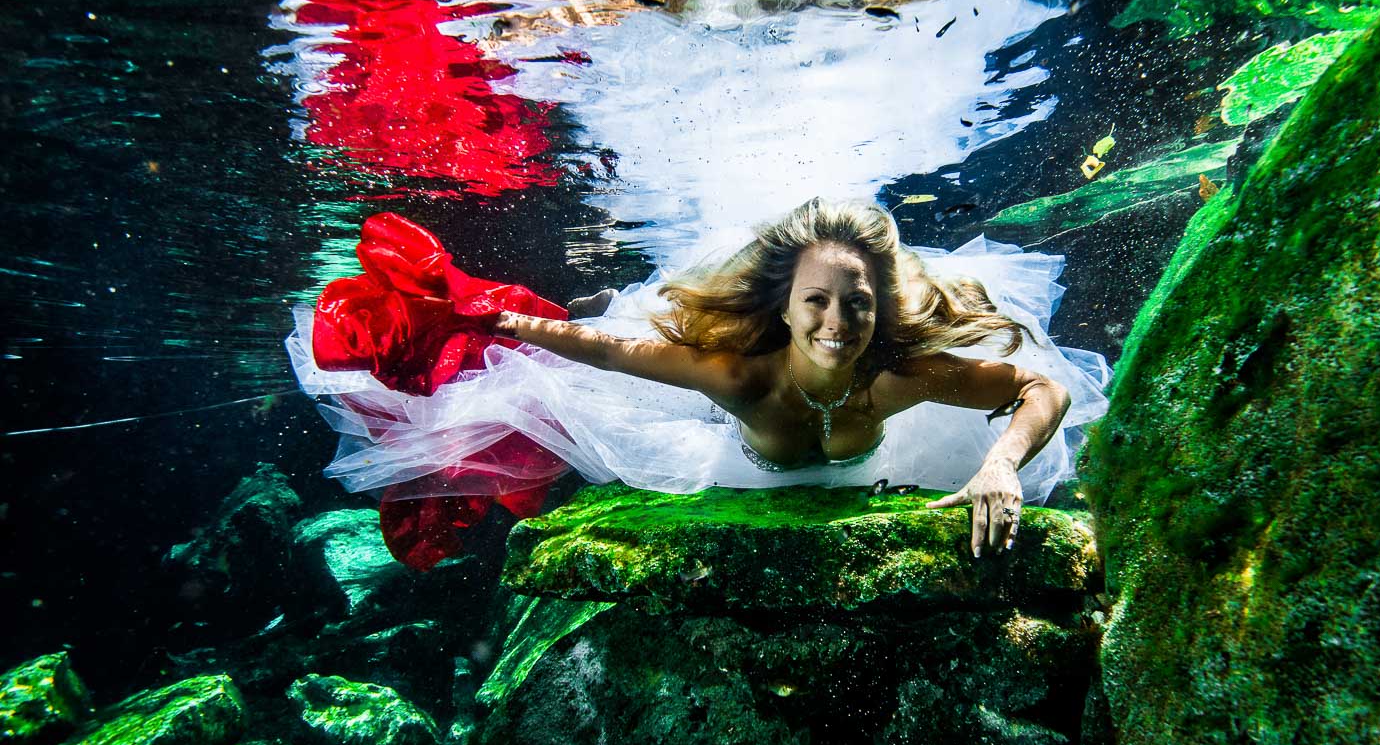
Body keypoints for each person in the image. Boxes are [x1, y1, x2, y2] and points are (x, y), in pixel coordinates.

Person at [289, 197, 1110, 568]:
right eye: (815, 303)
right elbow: (602, 353)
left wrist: (999, 463)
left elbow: (1044, 391)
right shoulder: (735, 376)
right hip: (727, 456)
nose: (836, 323)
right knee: (588, 364)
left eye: (855, 303)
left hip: (877, 459)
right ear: (785, 312)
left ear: (876, 306)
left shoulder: (901, 377)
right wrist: (489, 318)